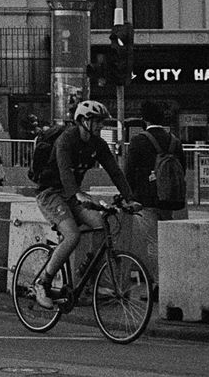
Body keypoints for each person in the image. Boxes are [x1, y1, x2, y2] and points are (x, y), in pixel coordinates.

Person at [30, 100, 138, 310]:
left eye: (101, 122)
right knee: (72, 235)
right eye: (95, 121)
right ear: (82, 121)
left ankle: (88, 280)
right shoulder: (66, 139)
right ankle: (42, 283)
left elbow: (114, 171)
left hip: (73, 194)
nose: (99, 126)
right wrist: (77, 195)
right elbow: (64, 171)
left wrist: (129, 198)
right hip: (50, 193)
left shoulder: (98, 144)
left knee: (102, 224)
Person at [125, 100, 186, 219]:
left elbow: (129, 171)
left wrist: (129, 195)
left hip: (145, 198)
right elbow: (182, 168)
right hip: (168, 198)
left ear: (144, 119)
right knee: (165, 233)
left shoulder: (138, 140)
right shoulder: (174, 141)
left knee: (148, 234)